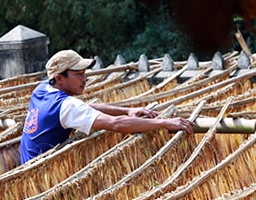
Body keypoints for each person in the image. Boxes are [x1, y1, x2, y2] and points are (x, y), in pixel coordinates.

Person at [20, 49, 194, 164]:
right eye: (79, 74)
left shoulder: (42, 89)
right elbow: (116, 124)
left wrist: (127, 110)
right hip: (43, 174)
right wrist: (164, 123)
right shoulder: (66, 105)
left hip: (26, 163)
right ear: (59, 78)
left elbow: (86, 107)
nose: (84, 79)